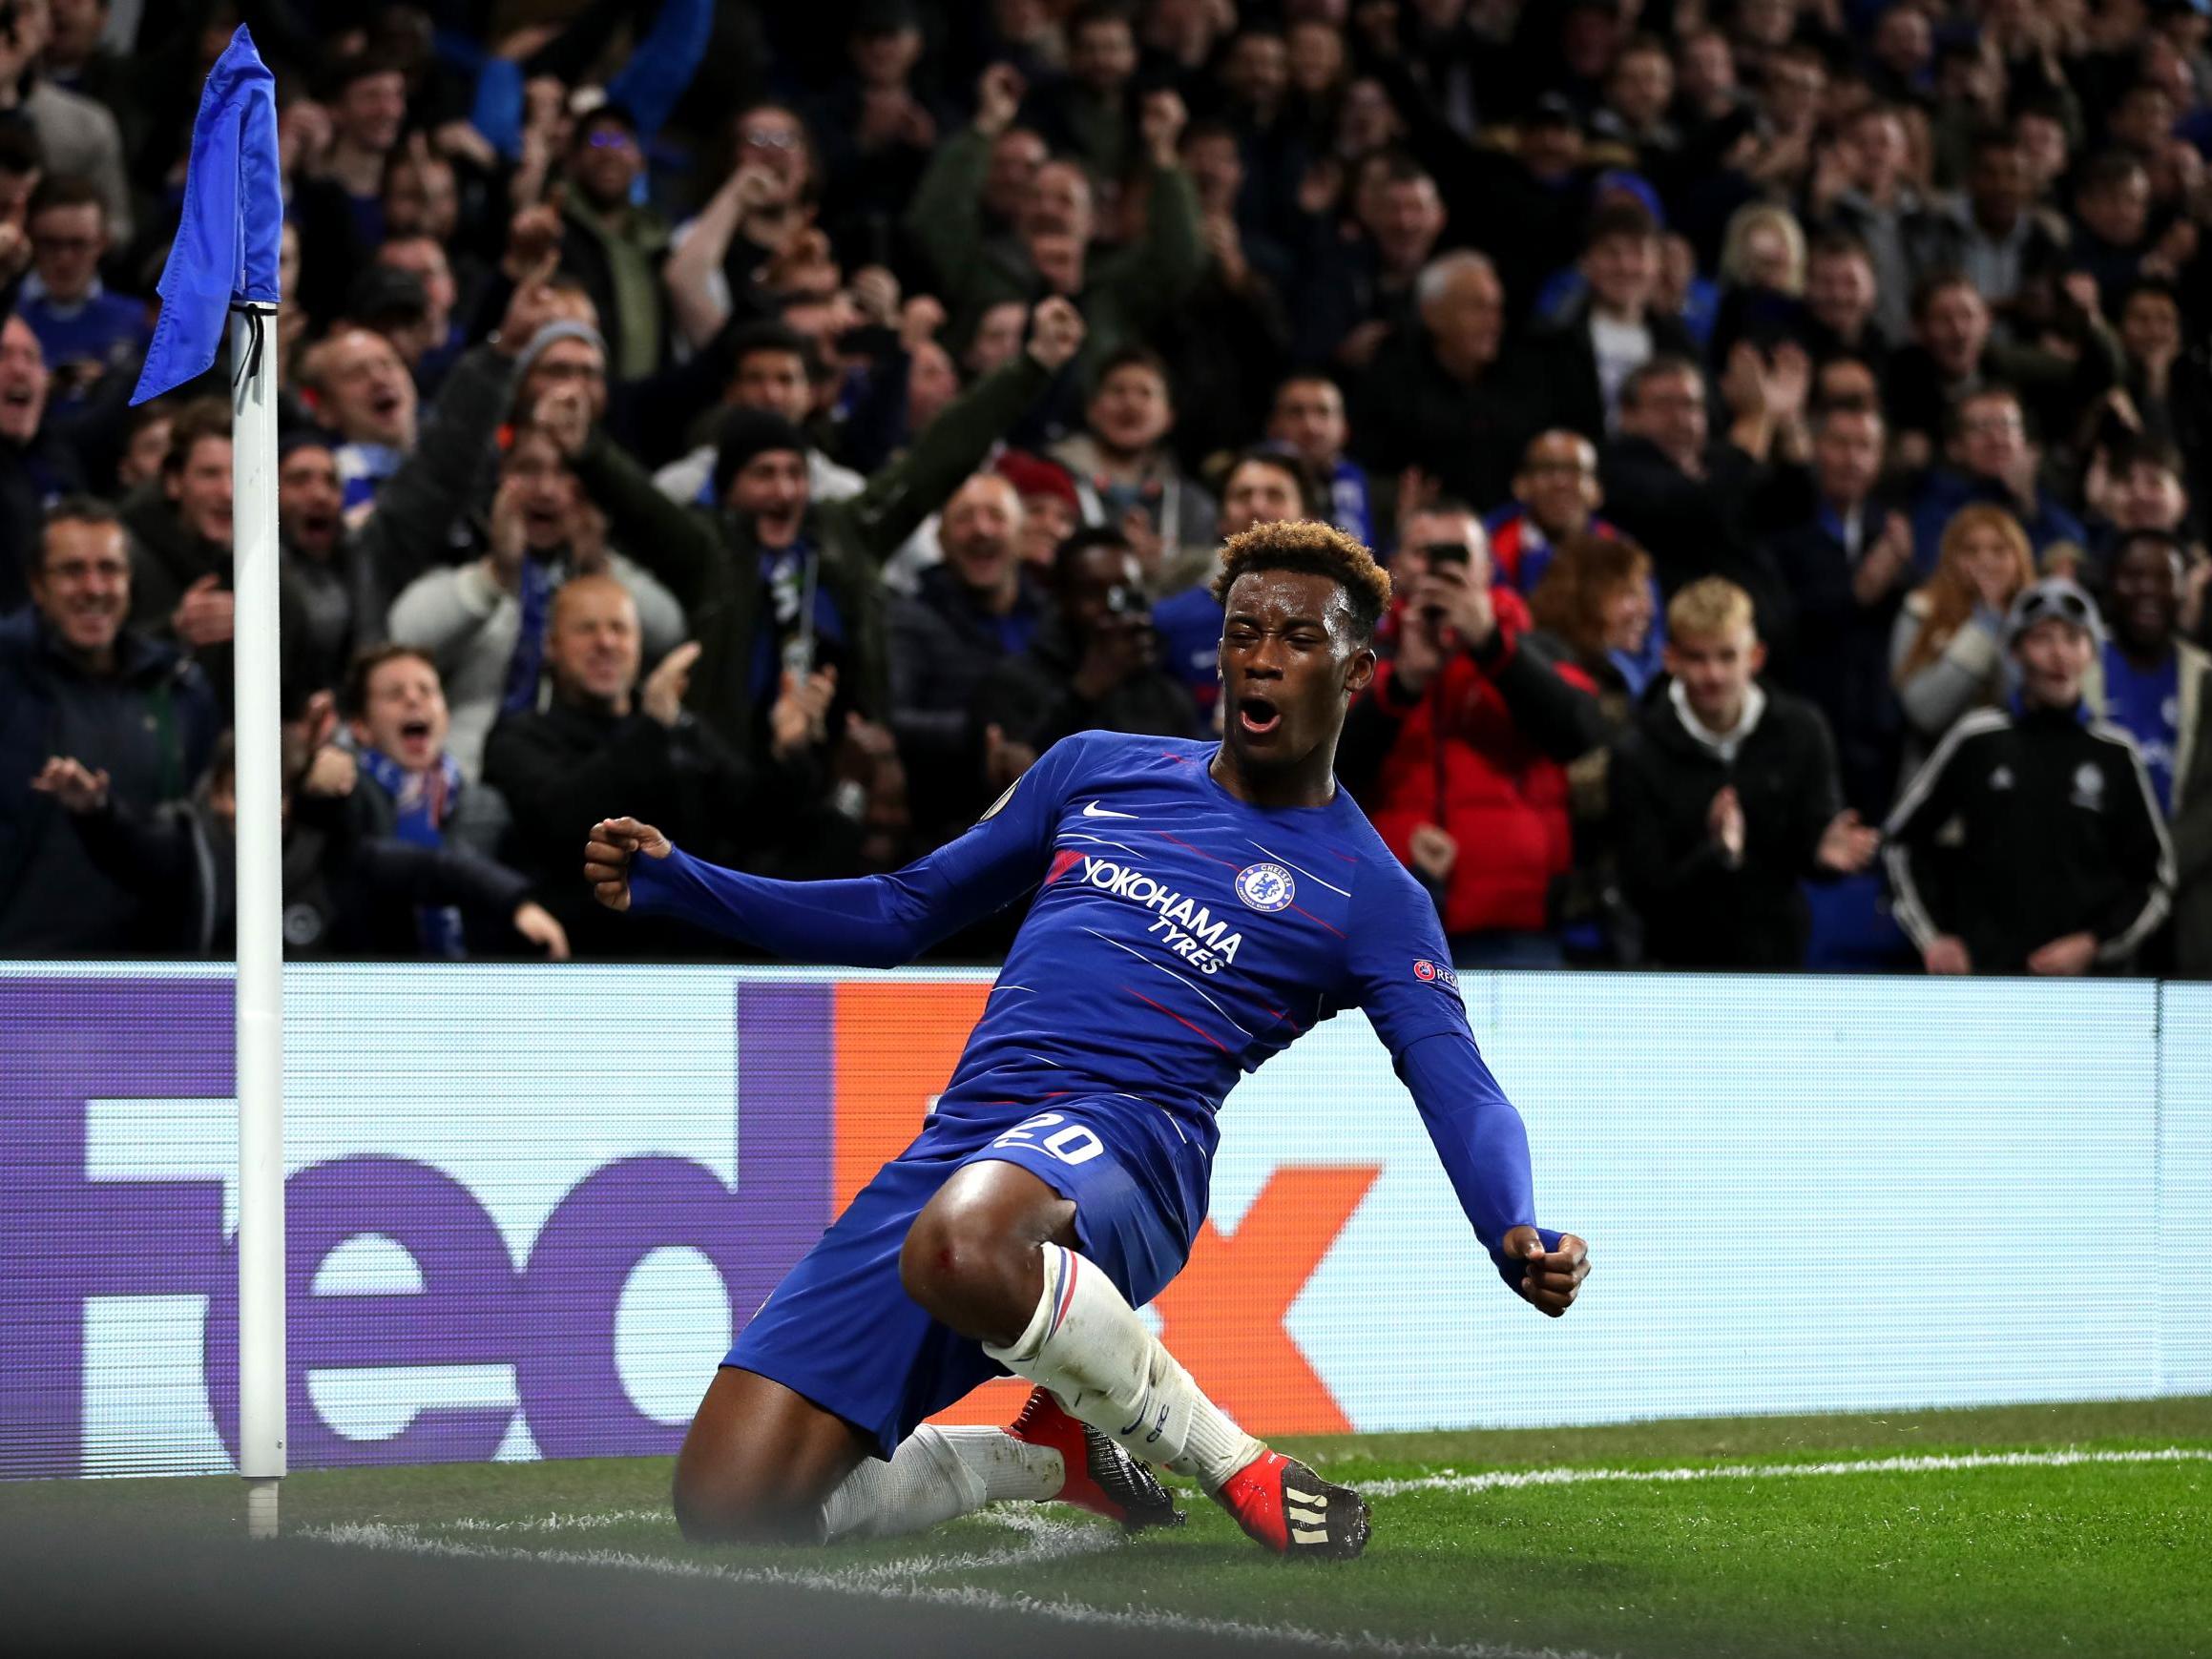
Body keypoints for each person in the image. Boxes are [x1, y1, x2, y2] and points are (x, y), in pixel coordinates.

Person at [580, 517, 1588, 1556]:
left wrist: (1507, 1222)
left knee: (963, 1241)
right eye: (1242, 631)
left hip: (1130, 1148)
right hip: (963, 1141)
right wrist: (681, 881)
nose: (1260, 655)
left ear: (1356, 670)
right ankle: (1038, 1454)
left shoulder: (1368, 892)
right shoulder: (1097, 768)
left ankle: (1230, 1458)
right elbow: (896, 910)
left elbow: (1455, 1083)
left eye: (1296, 637)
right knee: (731, 1510)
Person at [1338, 507, 1609, 967]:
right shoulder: (1359, 655)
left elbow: (1580, 733)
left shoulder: (1535, 650)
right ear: (1397, 567)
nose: (1441, 568)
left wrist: (1490, 645)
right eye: (1425, 554)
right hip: (1385, 916)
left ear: (1486, 569)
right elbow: (1327, 767)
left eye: (1458, 555)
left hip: (1515, 926)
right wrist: (1405, 683)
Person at [1885, 578, 2174, 976]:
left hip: (2090, 993)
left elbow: (2154, 878)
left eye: (2074, 639)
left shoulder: (2116, 752)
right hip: (1987, 981)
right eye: (2043, 638)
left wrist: (2094, 943)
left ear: (2092, 652)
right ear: (2016, 652)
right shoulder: (1978, 737)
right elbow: (1900, 842)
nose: (2060, 655)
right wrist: (1935, 937)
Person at [484, 575, 768, 959]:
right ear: (551, 647)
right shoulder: (518, 738)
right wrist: (650, 728)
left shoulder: (677, 727)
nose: (606, 642)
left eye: (619, 628)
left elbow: (753, 819)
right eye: (587, 629)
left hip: (701, 958)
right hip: (583, 958)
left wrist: (788, 753)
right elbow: (562, 820)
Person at [387, 422, 686, 780]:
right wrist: (497, 575)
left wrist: (598, 567)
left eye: (564, 473)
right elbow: (403, 635)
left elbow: (671, 630)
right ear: (501, 476)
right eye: (528, 470)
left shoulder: (606, 568)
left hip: (582, 773)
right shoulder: (463, 551)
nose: (546, 490)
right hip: (468, 777)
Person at [1608, 578, 1879, 969]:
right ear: (1670, 659)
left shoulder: (1801, 730)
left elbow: (1813, 847)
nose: (1713, 674)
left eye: (1727, 656)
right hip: (1674, 969)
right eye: (1697, 658)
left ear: (1755, 657)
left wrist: (1822, 856)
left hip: (1777, 966)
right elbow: (1641, 890)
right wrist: (1714, 854)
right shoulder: (1638, 751)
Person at [0, 498, 219, 956]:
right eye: (72, 570)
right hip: (18, 969)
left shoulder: (179, 687)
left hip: (150, 977)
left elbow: (196, 837)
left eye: (110, 569)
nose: (94, 587)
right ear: (38, 586)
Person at [1765, 402, 1912, 818]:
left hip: (1878, 730)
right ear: (1814, 449)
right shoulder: (1783, 527)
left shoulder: (1890, 532)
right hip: (1806, 720)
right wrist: (1857, 592)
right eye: (1840, 444)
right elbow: (1780, 620)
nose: (1853, 459)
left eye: (1865, 447)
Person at [970, 525, 1199, 760]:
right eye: (1093, 592)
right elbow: (1020, 779)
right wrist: (1084, 692)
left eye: (1123, 591)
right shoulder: (1011, 685)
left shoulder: (1166, 696)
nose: (1112, 606)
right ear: (1063, 599)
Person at [1890, 503, 2037, 781]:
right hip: (1939, 783)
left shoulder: (2038, 622)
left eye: (1999, 550)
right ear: (1950, 559)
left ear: (2019, 559)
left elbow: (2029, 710)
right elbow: (1926, 713)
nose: (1985, 561)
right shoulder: (1919, 613)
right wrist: (1985, 625)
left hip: (2019, 780)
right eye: (1970, 550)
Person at [2098, 529, 2207, 819]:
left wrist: (2167, 860)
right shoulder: (2073, 666)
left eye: (2164, 578)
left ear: (2185, 589)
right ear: (2110, 583)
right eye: (2133, 576)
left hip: (2180, 854)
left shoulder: (2206, 679)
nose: (2147, 588)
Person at [13, 174, 146, 391]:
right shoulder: (9, 315)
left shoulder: (137, 322)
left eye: (78, 244)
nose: (64, 259)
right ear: (30, 240)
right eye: (50, 243)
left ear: (102, 243)